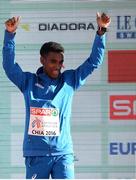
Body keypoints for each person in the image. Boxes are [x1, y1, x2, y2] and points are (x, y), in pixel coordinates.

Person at [2, 12, 111, 179]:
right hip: (36, 154)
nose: (58, 66)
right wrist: (10, 35)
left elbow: (94, 62)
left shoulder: (70, 80)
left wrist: (101, 31)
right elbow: (9, 67)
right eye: (53, 61)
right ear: (42, 60)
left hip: (63, 154)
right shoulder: (28, 82)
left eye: (60, 62)